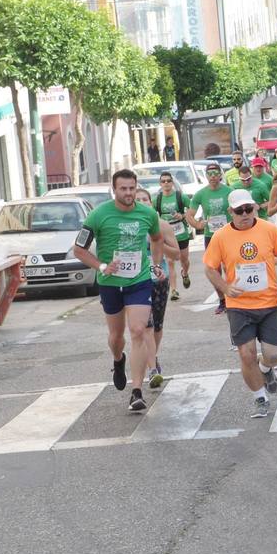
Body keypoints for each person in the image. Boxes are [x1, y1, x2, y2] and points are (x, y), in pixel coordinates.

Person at [72, 170, 164, 412]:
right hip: (110, 283)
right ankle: (118, 359)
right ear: (115, 190)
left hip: (139, 279)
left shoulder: (147, 214)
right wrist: (102, 266)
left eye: (132, 188)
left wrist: (155, 264)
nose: (128, 193)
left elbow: (156, 238)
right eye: (123, 189)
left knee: (138, 330)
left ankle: (136, 391)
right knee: (116, 337)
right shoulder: (98, 214)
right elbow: (79, 250)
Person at [202, 189, 277, 418]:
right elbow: (209, 267)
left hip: (270, 302)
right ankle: (259, 397)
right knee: (246, 354)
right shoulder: (221, 237)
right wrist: (224, 288)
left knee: (273, 356)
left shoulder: (269, 230)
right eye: (240, 210)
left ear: (254, 208)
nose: (245, 214)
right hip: (239, 306)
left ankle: (266, 369)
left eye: (249, 209)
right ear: (230, 212)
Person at [133, 186, 179, 389]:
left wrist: (158, 242)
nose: (143, 203)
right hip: (137, 281)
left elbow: (176, 254)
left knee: (157, 326)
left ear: (151, 204)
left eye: (146, 199)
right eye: (138, 200)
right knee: (145, 327)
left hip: (159, 280)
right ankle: (152, 369)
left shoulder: (162, 225)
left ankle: (153, 356)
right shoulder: (130, 227)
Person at [185, 163, 233, 315]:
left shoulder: (229, 191)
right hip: (210, 236)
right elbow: (189, 215)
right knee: (214, 270)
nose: (213, 177)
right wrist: (198, 224)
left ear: (220, 175)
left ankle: (233, 298)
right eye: (210, 174)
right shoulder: (200, 194)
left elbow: (239, 209)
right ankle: (222, 300)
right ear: (205, 176)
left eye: (215, 173)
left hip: (228, 235)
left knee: (230, 267)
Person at [153, 171, 191, 299]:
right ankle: (174, 290)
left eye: (168, 181)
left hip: (181, 233)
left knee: (184, 260)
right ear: (160, 184)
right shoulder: (157, 199)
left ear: (172, 183)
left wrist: (183, 215)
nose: (166, 183)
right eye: (163, 181)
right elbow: (151, 216)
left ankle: (184, 273)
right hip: (167, 236)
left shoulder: (180, 196)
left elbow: (192, 211)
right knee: (170, 262)